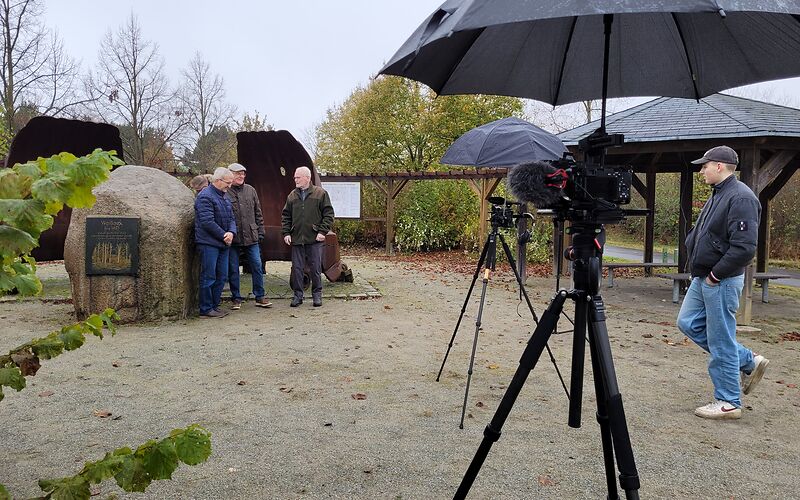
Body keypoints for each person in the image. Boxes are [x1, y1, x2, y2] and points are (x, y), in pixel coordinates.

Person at [677, 146, 767, 420]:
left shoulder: (740, 198)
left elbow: (744, 247)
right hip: (703, 276)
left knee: (720, 339)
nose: (701, 170)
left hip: (720, 279)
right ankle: (748, 360)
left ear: (719, 166)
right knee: (687, 322)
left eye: (705, 166)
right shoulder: (720, 194)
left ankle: (728, 401)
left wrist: (716, 275)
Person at [281, 166, 334, 307]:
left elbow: (328, 215)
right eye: (295, 177)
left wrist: (322, 232)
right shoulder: (292, 196)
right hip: (297, 238)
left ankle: (317, 295)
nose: (295, 180)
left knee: (315, 268)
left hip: (315, 239)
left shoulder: (320, 194)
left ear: (307, 178)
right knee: (297, 268)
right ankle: (298, 296)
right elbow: (286, 216)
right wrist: (286, 233)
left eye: (298, 177)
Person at [226, 163, 272, 309]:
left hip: (252, 237)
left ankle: (260, 296)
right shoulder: (225, 192)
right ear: (230, 175)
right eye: (238, 173)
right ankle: (236, 298)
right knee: (233, 269)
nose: (241, 176)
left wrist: (261, 231)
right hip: (233, 238)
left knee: (257, 266)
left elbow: (258, 212)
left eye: (243, 174)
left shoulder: (250, 190)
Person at [194, 166, 237, 318]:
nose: (230, 185)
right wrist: (224, 234)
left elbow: (232, 217)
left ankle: (214, 305)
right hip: (209, 243)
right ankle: (205, 308)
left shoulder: (224, 196)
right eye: (228, 182)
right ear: (218, 181)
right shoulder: (205, 196)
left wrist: (231, 232)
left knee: (222, 275)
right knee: (209, 276)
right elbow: (207, 221)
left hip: (223, 243)